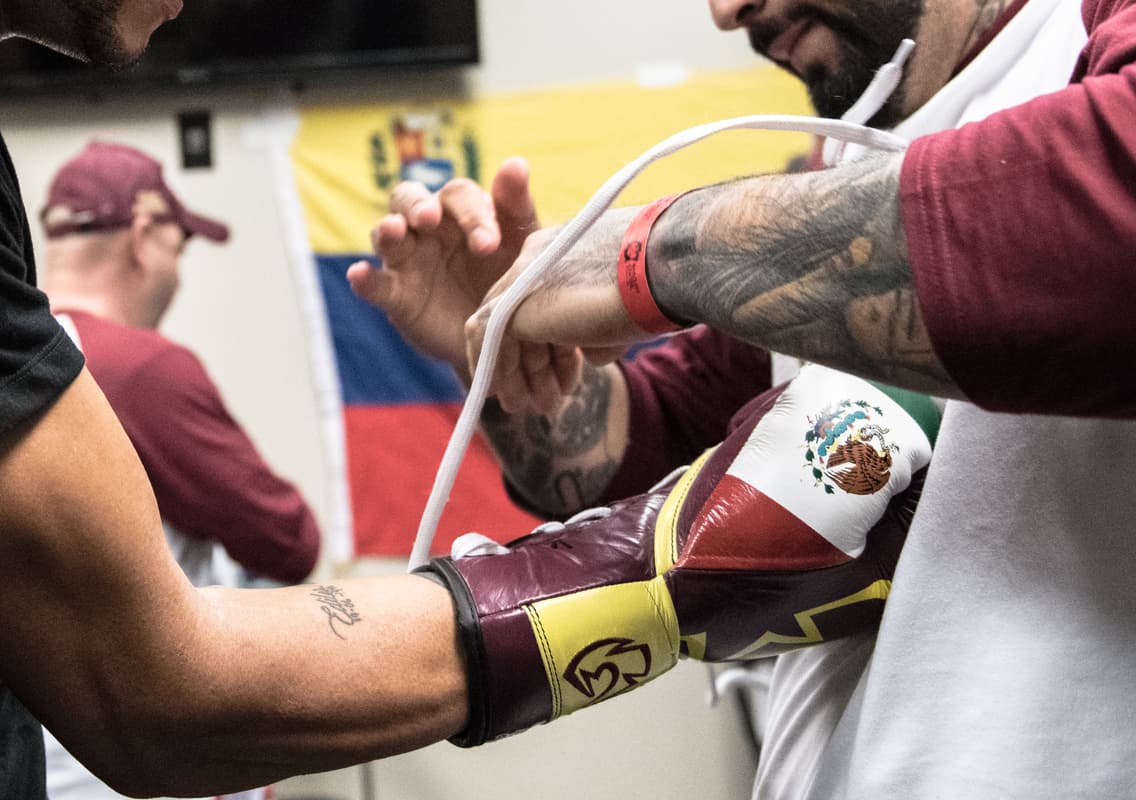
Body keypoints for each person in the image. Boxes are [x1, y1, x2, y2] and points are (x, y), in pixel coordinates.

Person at [0, 1, 935, 797]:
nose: (726, 10)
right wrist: (656, 573)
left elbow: (639, 430)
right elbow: (157, 686)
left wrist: (511, 376)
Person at [358, 0, 1136, 795]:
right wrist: (496, 352)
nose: (728, 13)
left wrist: (650, 251)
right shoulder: (837, 163)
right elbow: (649, 445)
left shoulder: (1085, 32)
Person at [37, 140, 322, 799]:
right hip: (146, 766)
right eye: (178, 248)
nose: (178, 273)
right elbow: (290, 542)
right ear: (143, 234)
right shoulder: (140, 370)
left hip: (36, 752)